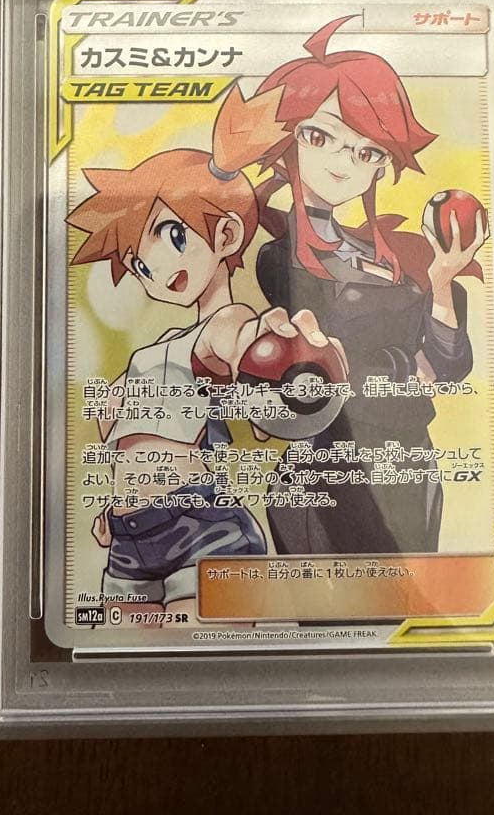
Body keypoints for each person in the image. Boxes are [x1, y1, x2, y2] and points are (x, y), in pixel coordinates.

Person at [210, 15, 488, 555]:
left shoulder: (392, 258)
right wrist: (405, 364)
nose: (344, 162)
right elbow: (316, 371)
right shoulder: (279, 259)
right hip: (327, 472)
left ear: (383, 165)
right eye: (319, 137)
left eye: (368, 152)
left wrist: (440, 279)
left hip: (409, 464)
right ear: (287, 141)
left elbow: (450, 365)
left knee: (409, 606)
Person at [67, 103, 345, 617]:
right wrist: (113, 500)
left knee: (198, 652)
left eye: (172, 236)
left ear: (226, 236)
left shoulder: (222, 324)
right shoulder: (153, 352)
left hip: (201, 529)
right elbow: (124, 439)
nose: (154, 268)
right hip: (128, 540)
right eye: (139, 263)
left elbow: (242, 341)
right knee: (127, 658)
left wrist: (285, 347)